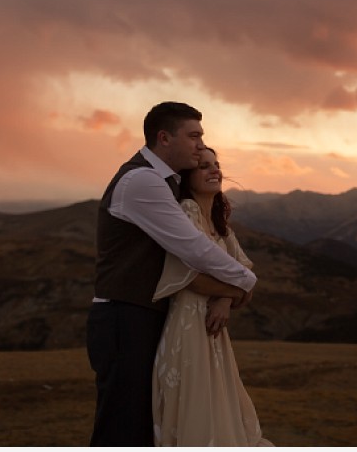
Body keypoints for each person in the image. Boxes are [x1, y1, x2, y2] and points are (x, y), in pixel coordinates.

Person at [87, 102, 258, 447]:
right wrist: (245, 283)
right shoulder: (142, 180)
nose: (199, 144)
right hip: (124, 314)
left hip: (144, 314)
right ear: (164, 138)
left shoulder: (165, 182)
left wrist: (230, 290)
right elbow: (192, 248)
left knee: (144, 423)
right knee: (122, 425)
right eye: (193, 135)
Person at [152, 147, 272, 446]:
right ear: (187, 177)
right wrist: (233, 291)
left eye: (216, 165)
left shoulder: (221, 227)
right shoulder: (187, 211)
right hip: (189, 324)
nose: (214, 170)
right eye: (204, 166)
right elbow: (187, 274)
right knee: (197, 403)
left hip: (213, 328)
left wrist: (223, 300)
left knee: (218, 397)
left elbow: (244, 269)